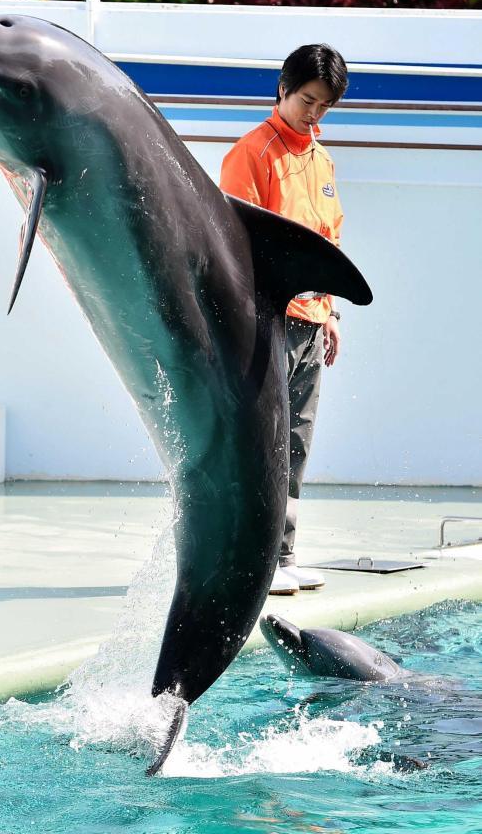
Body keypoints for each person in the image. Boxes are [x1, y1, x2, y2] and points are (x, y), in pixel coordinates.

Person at [220, 43, 349, 597]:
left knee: (295, 442)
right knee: (261, 445)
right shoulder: (252, 152)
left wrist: (332, 312)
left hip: (313, 321)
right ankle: (253, 559)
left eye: (324, 105)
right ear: (282, 88)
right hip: (270, 324)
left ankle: (283, 554)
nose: (313, 114)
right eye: (307, 100)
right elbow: (236, 246)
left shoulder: (321, 159)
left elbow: (329, 239)